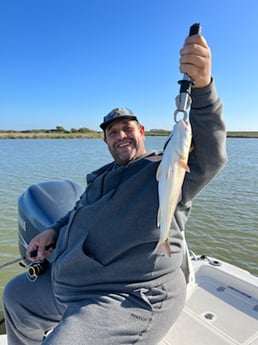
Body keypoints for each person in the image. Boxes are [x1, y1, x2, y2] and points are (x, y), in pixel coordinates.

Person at [3, 32, 227, 345]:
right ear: (106, 140)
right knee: (15, 295)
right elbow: (78, 211)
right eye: (112, 132)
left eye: (127, 129)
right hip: (70, 281)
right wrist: (52, 231)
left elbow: (211, 155)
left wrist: (202, 88)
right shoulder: (101, 176)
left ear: (142, 132)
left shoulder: (163, 168)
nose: (120, 135)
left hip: (129, 295)